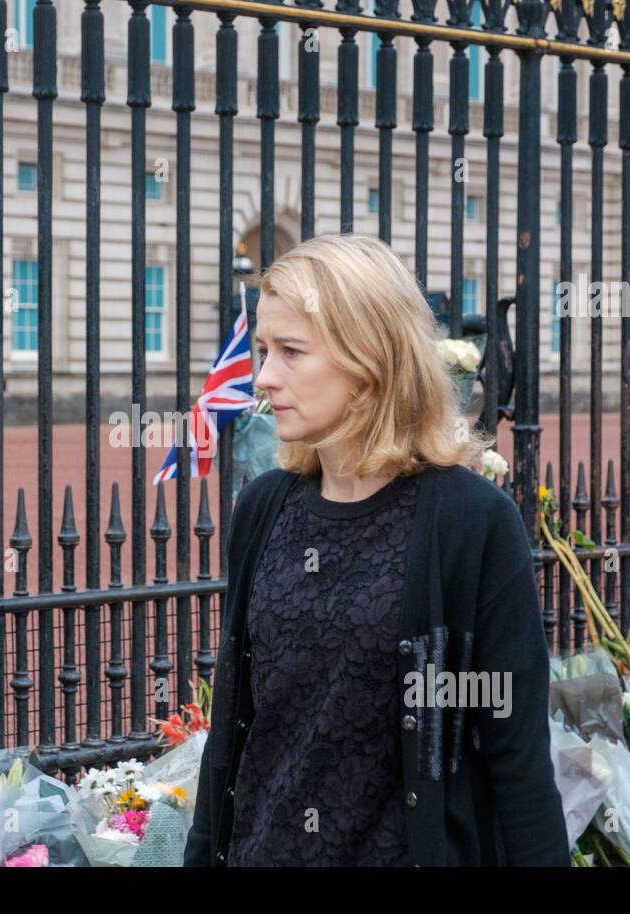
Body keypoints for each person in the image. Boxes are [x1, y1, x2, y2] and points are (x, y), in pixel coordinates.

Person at [182, 233, 570, 867]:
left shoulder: (471, 524)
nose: (265, 376)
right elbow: (233, 726)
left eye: (291, 352)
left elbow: (516, 757)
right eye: (262, 350)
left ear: (368, 361)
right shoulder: (263, 509)